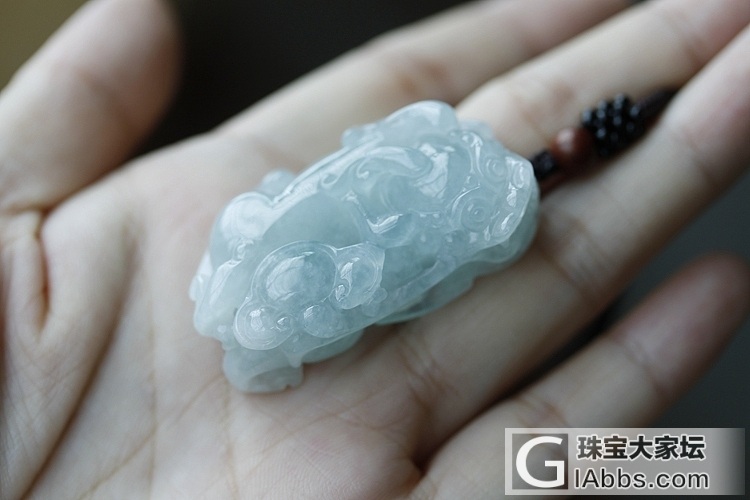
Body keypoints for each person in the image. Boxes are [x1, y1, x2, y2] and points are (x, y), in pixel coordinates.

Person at [2, 0, 749, 497]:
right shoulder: (271, 278)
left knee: (680, 463)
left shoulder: (429, 201)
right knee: (671, 465)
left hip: (428, 211)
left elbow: (402, 249)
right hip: (344, 250)